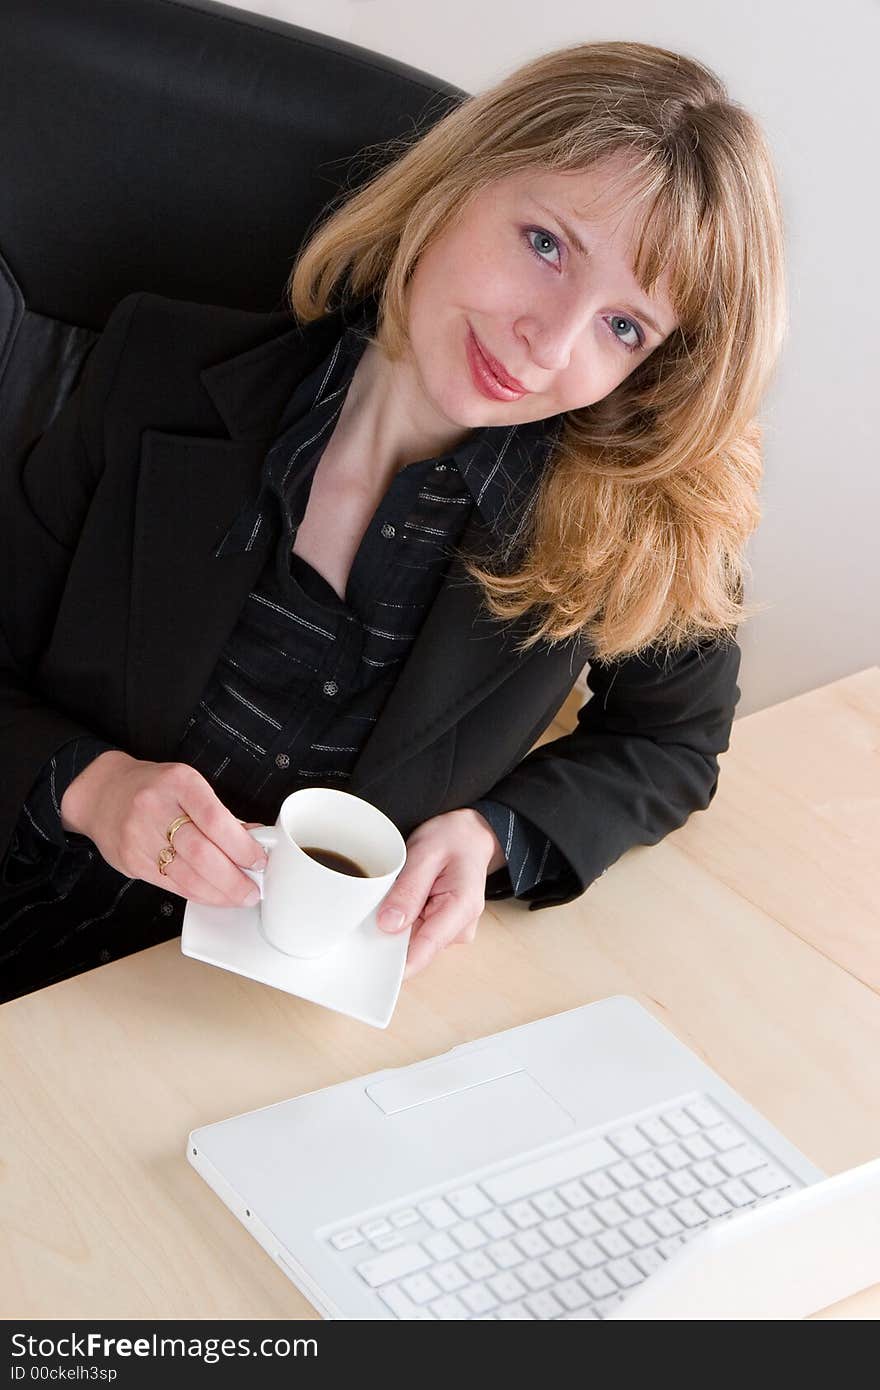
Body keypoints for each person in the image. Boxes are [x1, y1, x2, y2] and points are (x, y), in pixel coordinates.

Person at [0, 40, 786, 1002]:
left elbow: (673, 743)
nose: (550, 340)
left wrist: (496, 834)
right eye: (547, 245)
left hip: (277, 1026)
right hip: (31, 935)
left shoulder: (623, 528)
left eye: (625, 326)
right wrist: (96, 787)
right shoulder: (154, 366)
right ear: (459, 182)